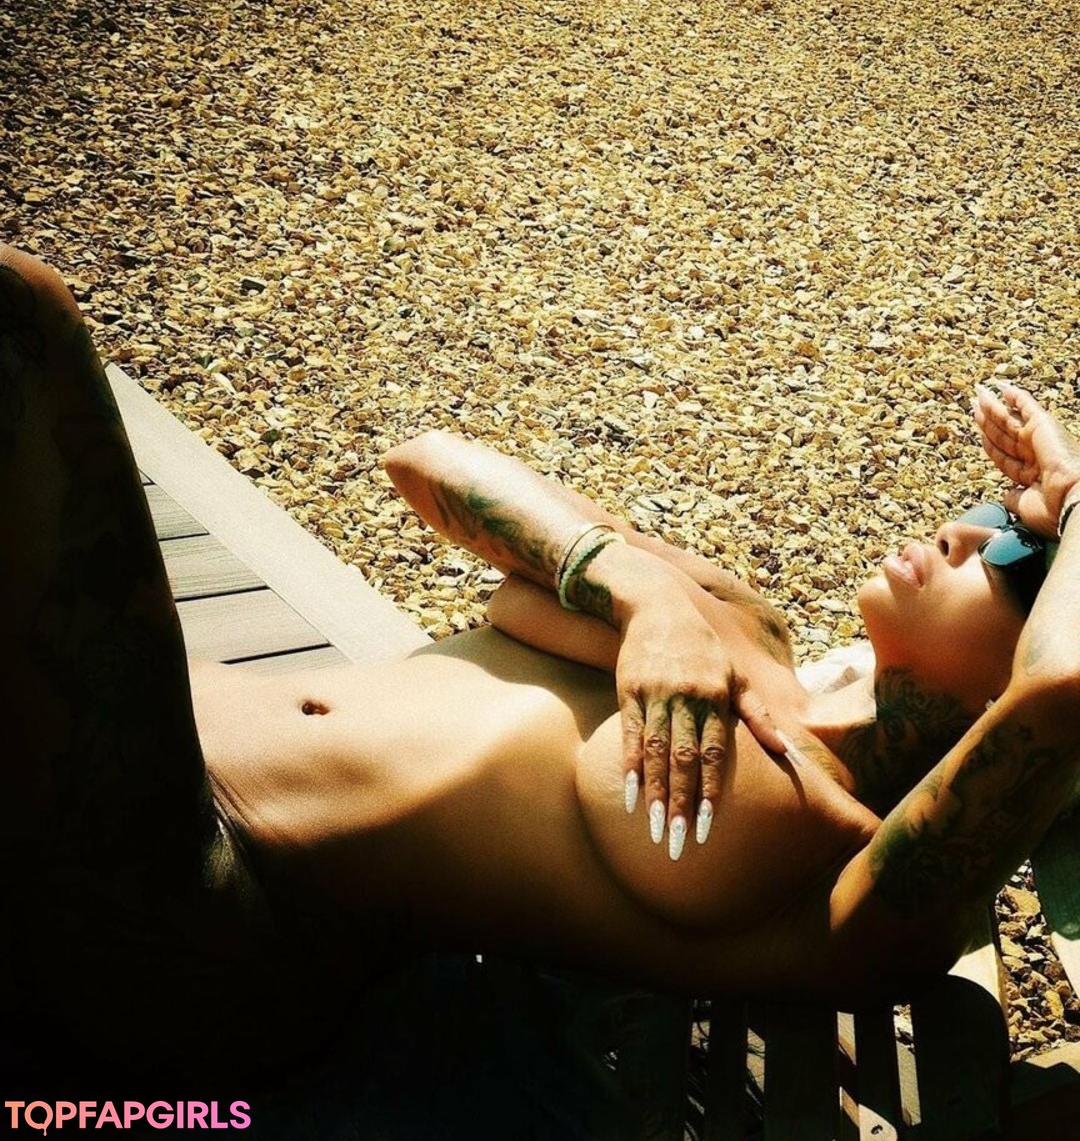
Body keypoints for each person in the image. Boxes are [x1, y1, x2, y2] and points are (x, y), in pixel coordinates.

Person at [3, 241, 1080, 1096]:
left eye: (1019, 560)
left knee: (21, 315)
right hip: (161, 733)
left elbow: (1064, 689)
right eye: (992, 511)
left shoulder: (850, 866)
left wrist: (1075, 496)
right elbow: (428, 464)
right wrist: (645, 596)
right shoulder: (744, 629)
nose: (966, 530)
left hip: (194, 904)